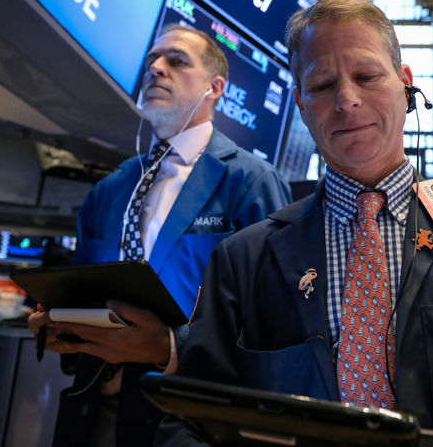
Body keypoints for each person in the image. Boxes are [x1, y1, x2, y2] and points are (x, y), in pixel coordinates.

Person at [157, 0, 433, 447]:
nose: (347, 100)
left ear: (405, 83)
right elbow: (187, 416)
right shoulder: (244, 259)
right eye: (322, 86)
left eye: (367, 76)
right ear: (301, 104)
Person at [27, 24, 292, 447]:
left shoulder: (251, 182)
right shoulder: (112, 188)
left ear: (215, 87)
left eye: (176, 60)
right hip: (91, 409)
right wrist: (61, 325)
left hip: (185, 417)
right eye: (152, 60)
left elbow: (272, 322)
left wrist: (169, 345)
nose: (156, 69)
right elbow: (81, 288)